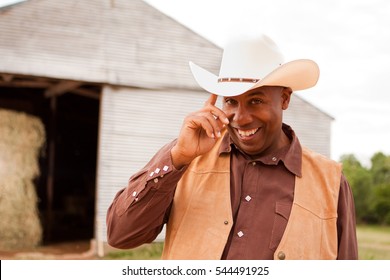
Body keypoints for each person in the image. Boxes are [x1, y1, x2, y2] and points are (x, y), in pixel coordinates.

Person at [106, 34, 358, 260]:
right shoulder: (186, 159)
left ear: (284, 98)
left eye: (256, 100)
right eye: (230, 102)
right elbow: (120, 235)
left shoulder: (330, 182)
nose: (241, 117)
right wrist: (176, 158)